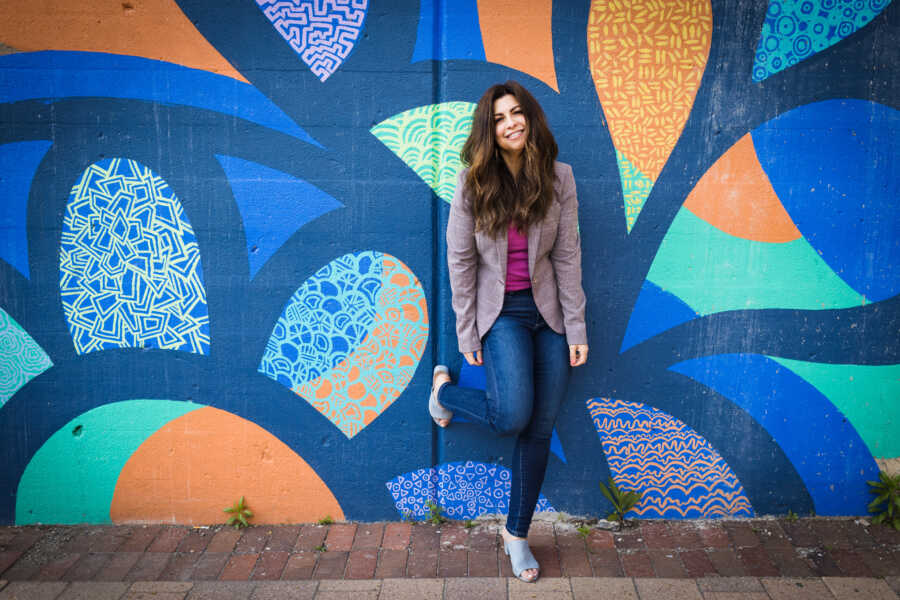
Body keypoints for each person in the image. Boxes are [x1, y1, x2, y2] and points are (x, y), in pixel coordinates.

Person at [428, 80, 588, 583]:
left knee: (540, 427)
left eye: (516, 113)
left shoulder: (559, 178)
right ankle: (445, 393)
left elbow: (567, 255)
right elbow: (460, 261)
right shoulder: (472, 182)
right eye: (498, 118)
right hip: (502, 314)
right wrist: (467, 333)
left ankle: (517, 536)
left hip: (550, 314)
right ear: (489, 130)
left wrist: (576, 326)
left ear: (530, 117)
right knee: (512, 415)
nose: (510, 123)